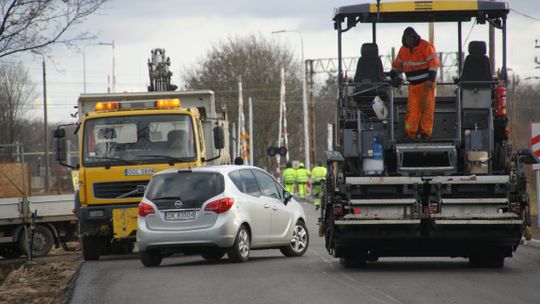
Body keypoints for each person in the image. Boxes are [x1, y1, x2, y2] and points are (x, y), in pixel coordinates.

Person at [390, 27, 440, 141]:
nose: (409, 40)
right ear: (404, 39)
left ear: (415, 37)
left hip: (426, 85)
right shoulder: (403, 50)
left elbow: (434, 64)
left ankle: (426, 133)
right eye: (406, 38)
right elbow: (398, 65)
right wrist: (392, 75)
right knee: (412, 111)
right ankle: (410, 133)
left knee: (426, 110)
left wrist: (430, 80)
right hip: (413, 87)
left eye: (410, 38)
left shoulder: (426, 47)